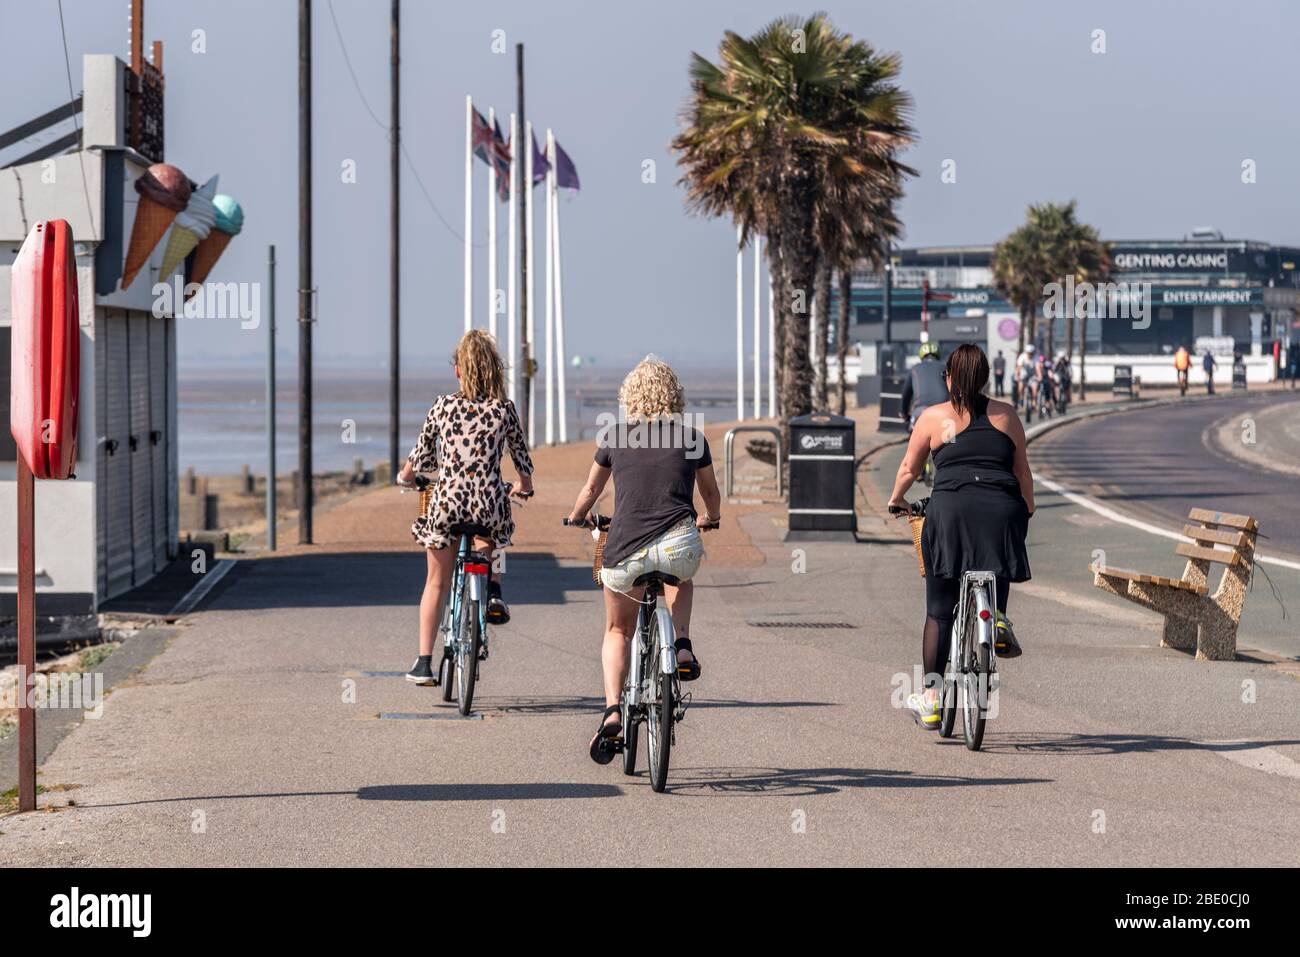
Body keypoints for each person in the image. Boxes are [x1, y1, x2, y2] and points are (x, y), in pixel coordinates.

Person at [566, 356, 722, 764]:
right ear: (675, 396)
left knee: (618, 629)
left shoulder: (616, 437)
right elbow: (711, 494)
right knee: (682, 577)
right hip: (677, 544)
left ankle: (613, 709)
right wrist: (712, 519)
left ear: (630, 397)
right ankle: (683, 645)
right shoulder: (692, 438)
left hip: (627, 548)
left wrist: (577, 517)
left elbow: (590, 490)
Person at [887, 344, 1032, 731]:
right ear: (985, 378)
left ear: (949, 378)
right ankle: (997, 617)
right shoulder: (1007, 416)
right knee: (996, 549)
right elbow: (1023, 475)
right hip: (1002, 512)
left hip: (949, 513)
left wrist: (896, 500)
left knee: (938, 611)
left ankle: (932, 699)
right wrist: (1027, 511)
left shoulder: (935, 417)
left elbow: (908, 468)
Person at [398, 330, 534, 685]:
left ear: (459, 371)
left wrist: (406, 477)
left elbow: (420, 456)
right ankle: (491, 591)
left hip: (447, 504)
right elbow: (522, 459)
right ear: (494, 370)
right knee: (495, 536)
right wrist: (525, 487)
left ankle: (424, 663)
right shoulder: (503, 409)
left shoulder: (443, 406)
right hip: (487, 504)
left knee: (436, 582)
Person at [901, 341, 949, 429]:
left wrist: (904, 413)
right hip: (944, 411)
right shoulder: (946, 367)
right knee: (950, 440)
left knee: (914, 438)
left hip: (921, 411)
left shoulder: (914, 369)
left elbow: (906, 394)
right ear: (937, 355)